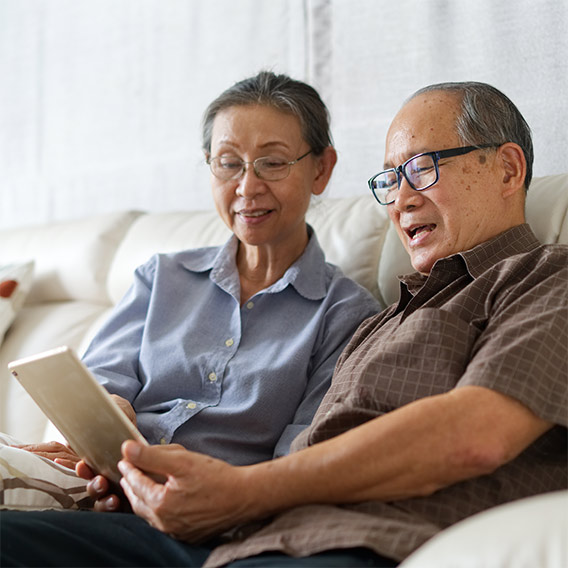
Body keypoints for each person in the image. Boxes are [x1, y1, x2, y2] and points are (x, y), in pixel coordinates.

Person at [2, 81, 566, 567]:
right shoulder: (390, 317)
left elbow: (475, 434)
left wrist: (238, 491)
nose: (400, 199)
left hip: (332, 543)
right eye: (391, 179)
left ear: (508, 168)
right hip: (240, 538)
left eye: (421, 168)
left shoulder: (545, 281)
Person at [0, 71, 379, 509]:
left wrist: (207, 484)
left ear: (321, 168)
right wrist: (107, 412)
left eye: (273, 163)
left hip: (207, 516)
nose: (247, 187)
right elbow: (98, 380)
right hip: (104, 487)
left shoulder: (346, 313)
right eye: (228, 163)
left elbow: (300, 460)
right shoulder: (161, 276)